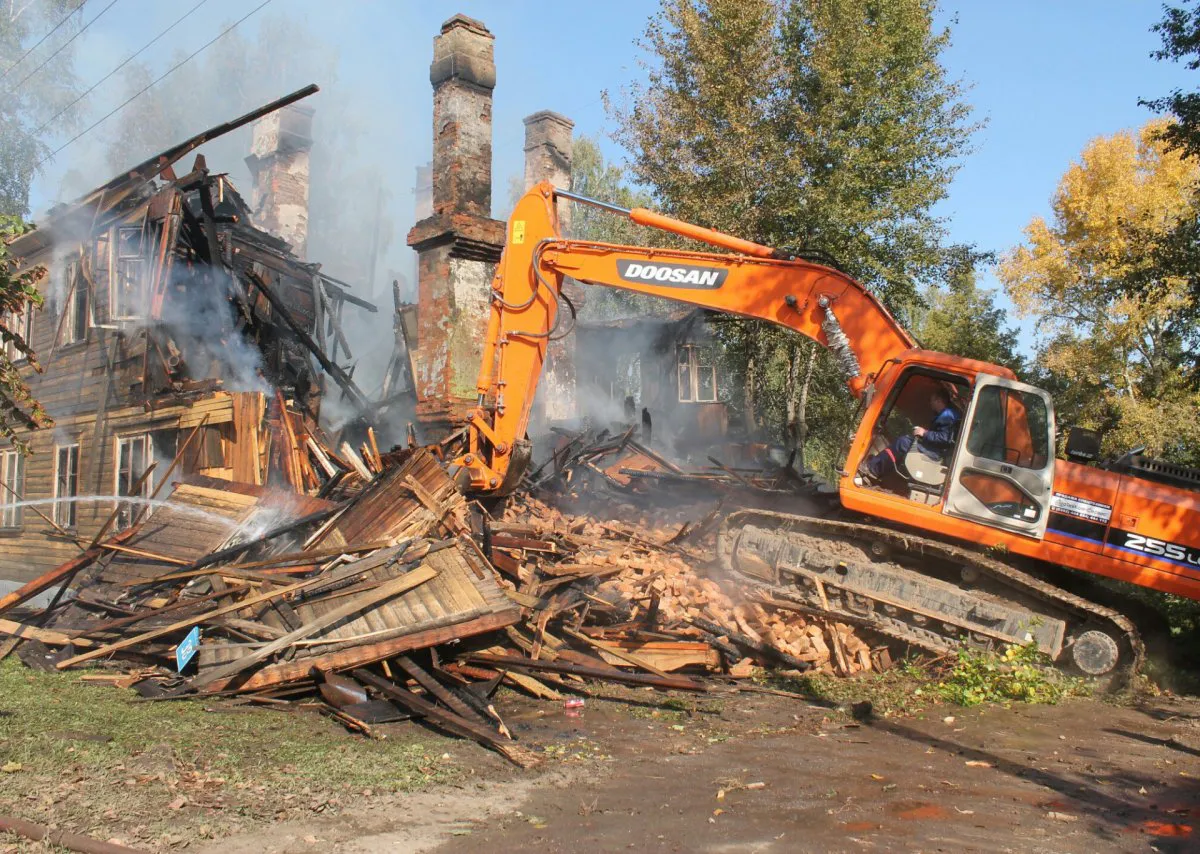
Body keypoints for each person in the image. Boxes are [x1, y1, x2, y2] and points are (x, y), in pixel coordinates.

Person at [861, 388, 960, 482]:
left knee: (903, 442)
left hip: (936, 453)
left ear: (939, 401)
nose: (930, 403)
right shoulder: (946, 414)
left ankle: (873, 469)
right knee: (906, 439)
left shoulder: (947, 415)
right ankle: (877, 466)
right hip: (935, 450)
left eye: (932, 400)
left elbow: (945, 438)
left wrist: (924, 433)